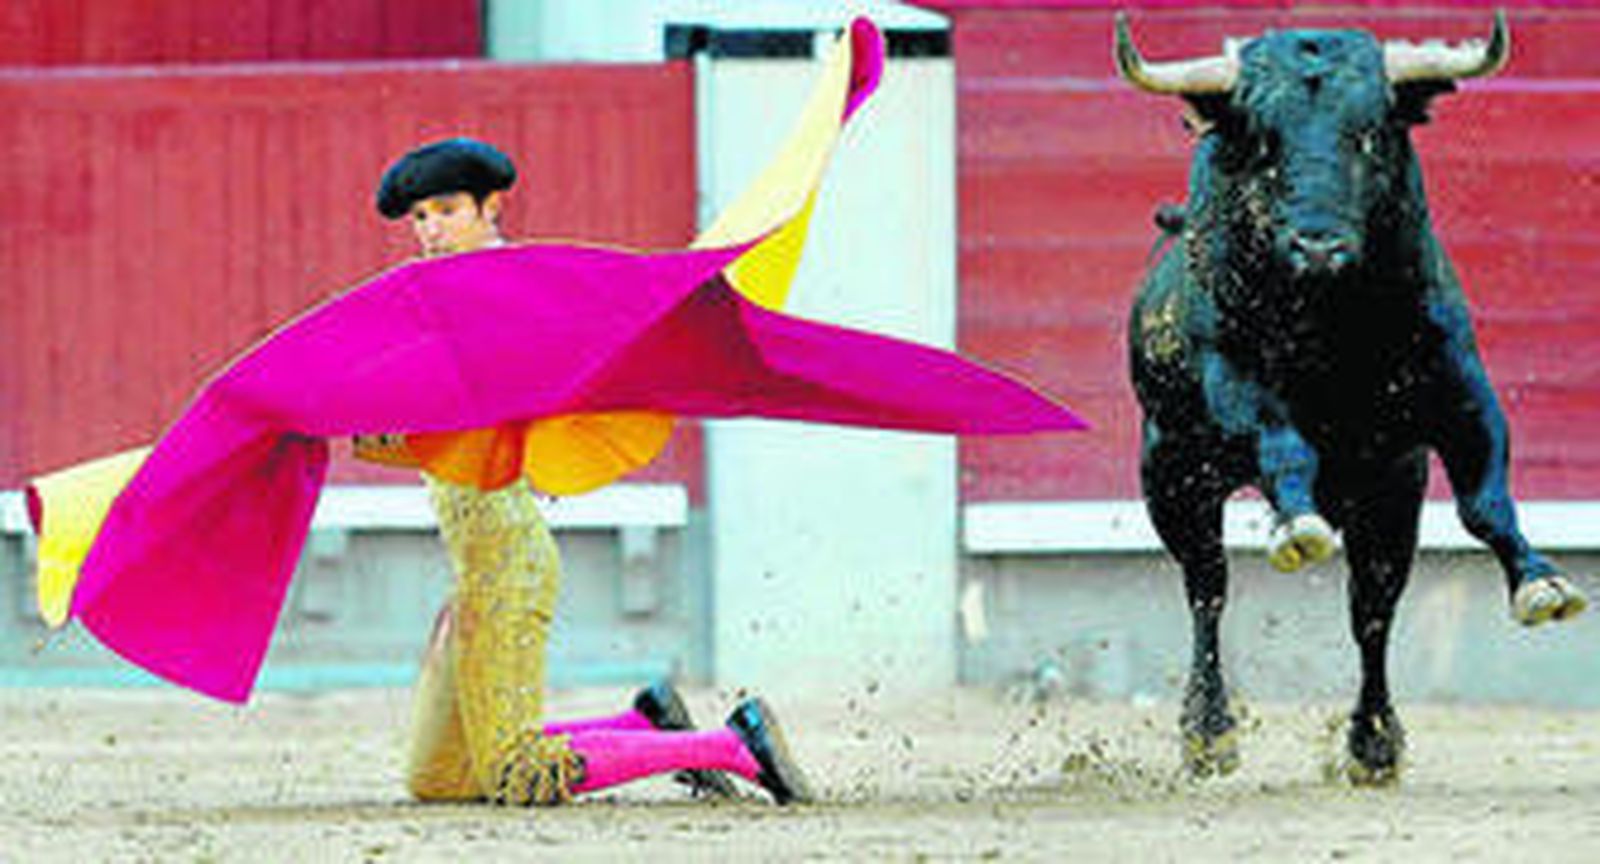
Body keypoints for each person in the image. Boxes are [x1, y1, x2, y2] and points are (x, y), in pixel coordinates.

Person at [364, 137, 811, 807]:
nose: (430, 230)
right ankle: (641, 724)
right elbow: (441, 437)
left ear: (492, 207)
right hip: (477, 568)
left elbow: (487, 412)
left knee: (515, 773)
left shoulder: (505, 295)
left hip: (506, 566)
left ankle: (730, 747)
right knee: (438, 780)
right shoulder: (447, 299)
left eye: (447, 210)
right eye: (420, 217)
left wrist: (379, 418)